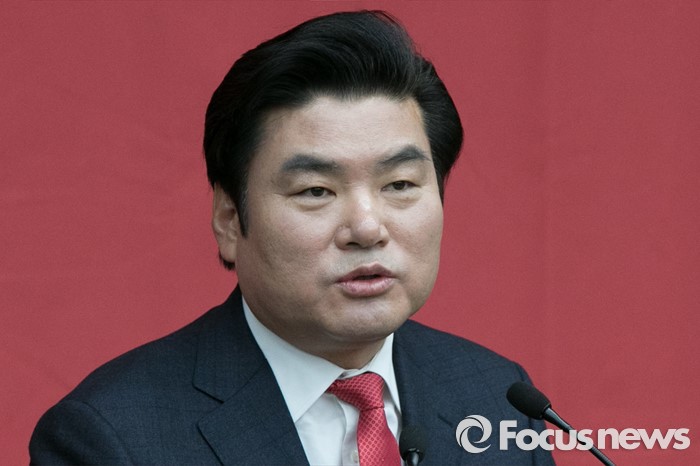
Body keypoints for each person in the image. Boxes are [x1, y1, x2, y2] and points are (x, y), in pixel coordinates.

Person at [30, 11, 554, 465]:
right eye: (316, 191)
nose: (367, 227)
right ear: (230, 219)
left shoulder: (496, 397)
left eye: (399, 184)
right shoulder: (112, 438)